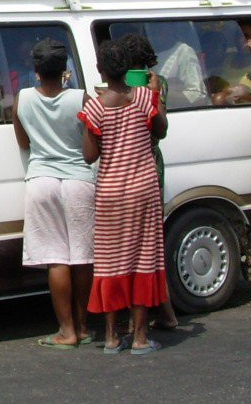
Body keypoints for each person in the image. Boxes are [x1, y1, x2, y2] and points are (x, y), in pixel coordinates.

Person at [80, 38, 168, 356]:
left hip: (111, 193)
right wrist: (153, 94)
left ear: (101, 71)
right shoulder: (144, 97)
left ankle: (112, 336)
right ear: (129, 69)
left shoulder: (95, 106)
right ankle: (141, 337)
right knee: (143, 258)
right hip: (144, 189)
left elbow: (89, 155)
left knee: (110, 261)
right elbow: (161, 130)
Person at [12, 39, 94, 349]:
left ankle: (66, 330)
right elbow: (89, 145)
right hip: (79, 180)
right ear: (64, 70)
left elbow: (23, 143)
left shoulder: (23, 99)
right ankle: (84, 327)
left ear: (35, 70)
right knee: (83, 258)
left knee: (56, 259)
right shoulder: (81, 99)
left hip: (42, 180)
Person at [117, 33, 180, 332]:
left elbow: (160, 128)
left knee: (139, 247)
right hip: (147, 167)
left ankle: (140, 316)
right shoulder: (154, 83)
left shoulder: (151, 86)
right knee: (147, 247)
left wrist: (149, 95)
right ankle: (161, 312)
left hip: (141, 168)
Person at [152, 24, 208, 108]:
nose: (156, 32)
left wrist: (159, 93)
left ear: (172, 30)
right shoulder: (149, 54)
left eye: (161, 28)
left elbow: (198, 95)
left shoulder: (183, 51)